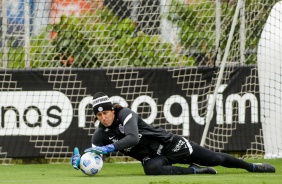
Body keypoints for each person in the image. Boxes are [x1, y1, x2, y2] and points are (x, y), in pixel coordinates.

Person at [71, 92, 276, 175]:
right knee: (151, 170)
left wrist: (111, 147)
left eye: (105, 113)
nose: (103, 118)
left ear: (112, 110)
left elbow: (132, 138)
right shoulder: (100, 134)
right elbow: (97, 154)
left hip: (170, 144)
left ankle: (252, 167)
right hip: (153, 156)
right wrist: (82, 162)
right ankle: (196, 171)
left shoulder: (125, 113)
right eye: (98, 115)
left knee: (215, 158)